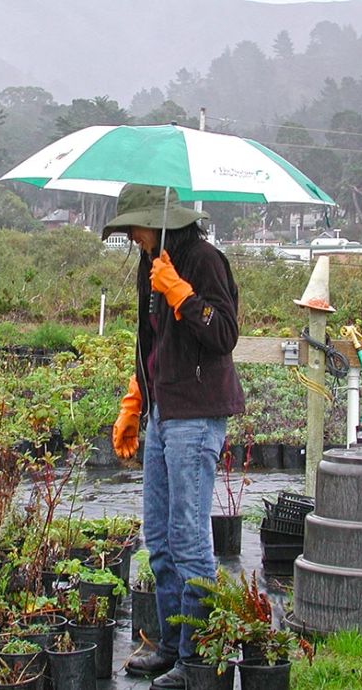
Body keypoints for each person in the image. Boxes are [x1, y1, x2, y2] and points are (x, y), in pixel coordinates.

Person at [103, 184, 245, 689]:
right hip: (164, 413)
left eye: (135, 229)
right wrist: (134, 400)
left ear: (157, 221)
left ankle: (196, 658)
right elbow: (151, 342)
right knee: (157, 539)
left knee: (189, 540)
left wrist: (182, 294)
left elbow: (225, 333)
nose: (133, 239)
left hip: (198, 415)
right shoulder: (151, 264)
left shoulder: (205, 261)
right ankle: (169, 646)